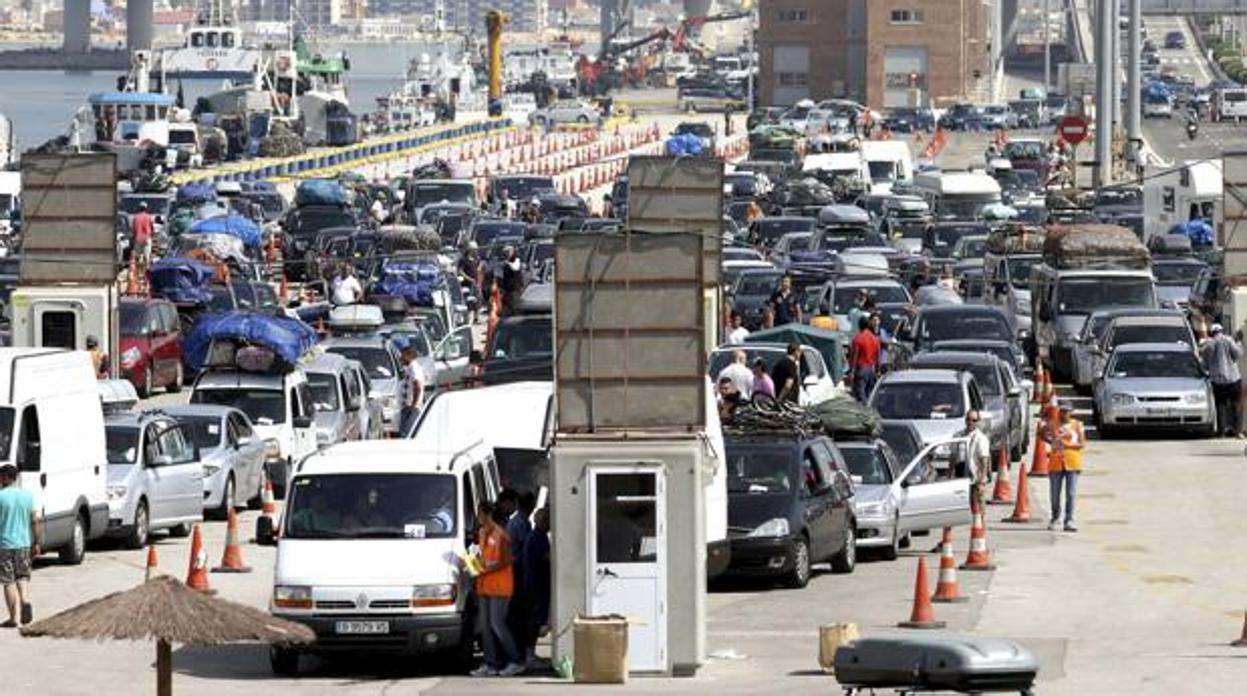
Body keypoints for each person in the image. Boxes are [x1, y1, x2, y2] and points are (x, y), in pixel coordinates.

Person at [471, 501, 523, 677]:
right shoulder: (482, 532)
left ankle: (515, 661)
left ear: (487, 515)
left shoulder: (502, 535)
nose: (477, 517)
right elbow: (483, 556)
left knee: (497, 624)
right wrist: (473, 564)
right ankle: (490, 664)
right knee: (485, 626)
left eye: (479, 514)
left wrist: (487, 568)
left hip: (500, 587)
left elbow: (508, 560)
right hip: (485, 585)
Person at [0, 464, 40, 627]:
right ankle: (24, 601)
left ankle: (12, 618)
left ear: (6, 478)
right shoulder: (27, 496)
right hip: (24, 544)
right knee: (22, 576)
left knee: (8, 581)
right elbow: (35, 521)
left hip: (4, 545)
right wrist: (36, 542)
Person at [1043, 403, 1085, 532]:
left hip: (1072, 463)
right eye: (1062, 411)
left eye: (1066, 411)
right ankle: (1055, 518)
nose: (1064, 414)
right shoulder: (1053, 424)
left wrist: (1066, 444)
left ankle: (1069, 520)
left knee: (1071, 493)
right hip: (1055, 463)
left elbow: (1081, 443)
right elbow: (1042, 433)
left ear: (1071, 412)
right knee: (1055, 494)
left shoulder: (1077, 425)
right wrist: (1050, 441)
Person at [520, 507, 551, 669]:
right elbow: (547, 558)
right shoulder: (538, 538)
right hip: (535, 586)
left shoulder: (536, 536)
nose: (551, 524)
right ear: (542, 521)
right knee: (534, 621)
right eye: (548, 520)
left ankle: (529, 653)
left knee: (535, 620)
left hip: (534, 584)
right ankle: (529, 655)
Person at [1200, 323, 1243, 437]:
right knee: (1236, 405)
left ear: (1212, 332)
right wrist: (1238, 342)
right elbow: (1238, 354)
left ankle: (1221, 432)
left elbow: (1205, 363)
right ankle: (1237, 431)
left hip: (1218, 381)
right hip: (1233, 378)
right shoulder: (1228, 340)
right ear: (1222, 331)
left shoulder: (1209, 344)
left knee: (1220, 406)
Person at [957, 410, 992, 505]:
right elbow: (953, 457)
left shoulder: (981, 439)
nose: (970, 422)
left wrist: (981, 482)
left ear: (978, 422)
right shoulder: (958, 436)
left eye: (974, 420)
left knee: (977, 508)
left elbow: (984, 462)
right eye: (968, 419)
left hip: (974, 480)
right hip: (960, 478)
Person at [847, 315, 881, 402]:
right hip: (871, 370)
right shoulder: (875, 339)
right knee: (870, 395)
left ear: (859, 326)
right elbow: (878, 358)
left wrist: (851, 372)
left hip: (861, 370)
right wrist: (877, 371)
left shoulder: (858, 339)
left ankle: (865, 412)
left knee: (860, 396)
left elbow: (854, 357)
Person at [397, 344, 425, 436]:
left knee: (406, 433)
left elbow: (418, 386)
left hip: (411, 408)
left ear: (409, 356)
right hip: (407, 407)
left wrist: (413, 405)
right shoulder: (409, 368)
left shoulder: (414, 369)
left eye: (403, 355)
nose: (401, 358)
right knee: (404, 432)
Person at [499, 245, 524, 315]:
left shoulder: (517, 259)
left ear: (512, 252)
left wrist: (508, 263)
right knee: (507, 304)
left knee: (514, 304)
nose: (506, 254)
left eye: (508, 252)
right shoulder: (506, 261)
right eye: (505, 252)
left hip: (515, 287)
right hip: (507, 288)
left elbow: (515, 267)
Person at [130, 202, 154, 269]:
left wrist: (133, 238)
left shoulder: (135, 217)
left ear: (139, 208)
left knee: (137, 256)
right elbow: (152, 228)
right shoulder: (149, 217)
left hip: (138, 238)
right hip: (147, 238)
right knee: (147, 256)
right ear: (146, 209)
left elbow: (134, 229)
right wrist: (152, 235)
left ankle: (137, 270)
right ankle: (145, 271)